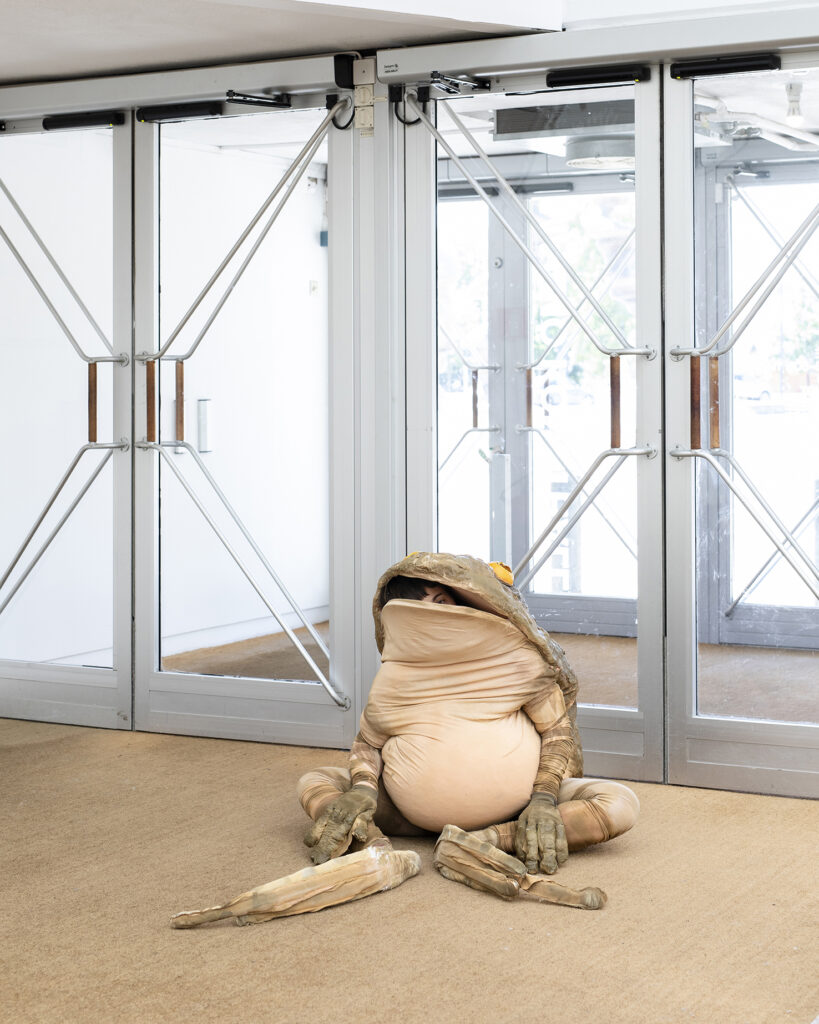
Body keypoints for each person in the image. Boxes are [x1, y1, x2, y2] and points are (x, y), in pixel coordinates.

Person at [296, 552, 639, 898]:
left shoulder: (517, 661)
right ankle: (375, 847)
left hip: (519, 810)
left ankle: (482, 842)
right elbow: (368, 745)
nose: (433, 612)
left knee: (619, 803)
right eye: (418, 606)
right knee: (316, 781)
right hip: (408, 817)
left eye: (441, 600)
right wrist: (364, 789)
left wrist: (544, 799)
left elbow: (557, 732)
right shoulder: (394, 680)